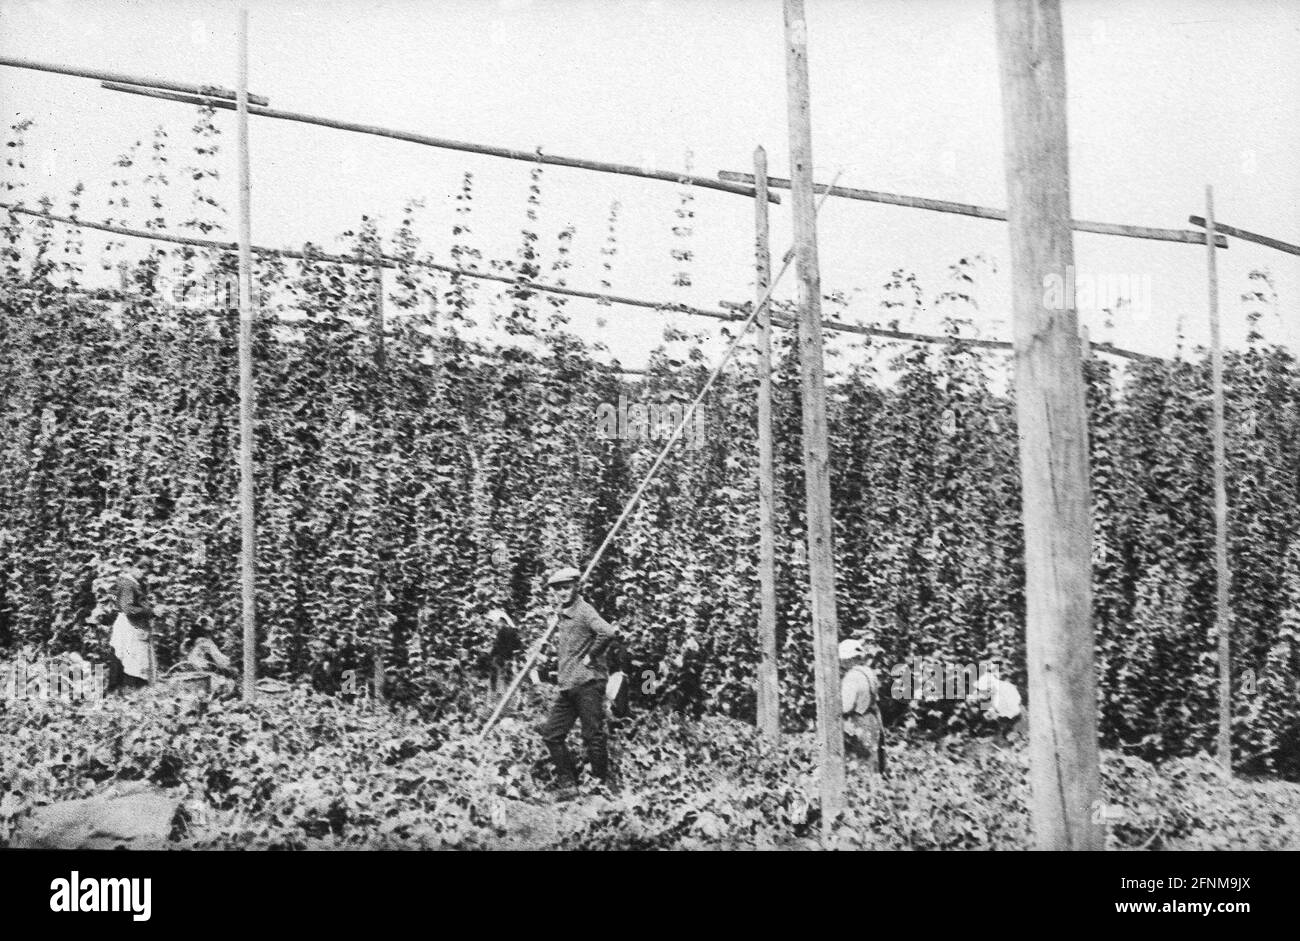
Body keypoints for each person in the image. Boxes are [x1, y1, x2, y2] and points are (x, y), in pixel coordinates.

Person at [536, 566, 619, 799]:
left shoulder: (583, 610)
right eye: (558, 589)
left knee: (592, 735)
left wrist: (591, 656)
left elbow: (607, 632)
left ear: (576, 586)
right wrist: (549, 657)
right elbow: (571, 648)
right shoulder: (563, 614)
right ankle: (568, 784)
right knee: (552, 735)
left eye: (566, 587)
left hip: (587, 683)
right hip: (568, 685)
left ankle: (601, 786)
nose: (562, 592)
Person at [108, 552, 157, 693]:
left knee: (125, 656)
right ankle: (125, 689)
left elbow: (113, 597)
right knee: (129, 657)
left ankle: (121, 690)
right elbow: (128, 608)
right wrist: (150, 611)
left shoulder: (128, 582)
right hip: (128, 624)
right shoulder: (128, 584)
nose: (143, 575)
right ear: (135, 568)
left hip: (127, 623)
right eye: (142, 570)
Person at [840, 638, 887, 776]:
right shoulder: (868, 672)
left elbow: (846, 706)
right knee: (873, 760)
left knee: (858, 763)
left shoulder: (851, 677)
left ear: (848, 659)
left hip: (858, 722)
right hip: (873, 719)